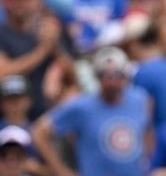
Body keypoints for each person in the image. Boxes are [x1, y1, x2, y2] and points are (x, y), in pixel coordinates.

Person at [32, 46, 152, 176]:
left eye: (117, 75)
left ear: (125, 77)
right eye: (105, 76)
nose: (111, 82)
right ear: (97, 77)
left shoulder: (140, 99)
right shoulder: (82, 106)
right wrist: (61, 171)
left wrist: (147, 160)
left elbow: (148, 130)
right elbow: (39, 132)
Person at [0, 0, 66, 118]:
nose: (18, 2)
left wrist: (55, 48)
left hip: (47, 116)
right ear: (3, 1)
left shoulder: (52, 29)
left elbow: (74, 76)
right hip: (8, 120)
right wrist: (43, 50)